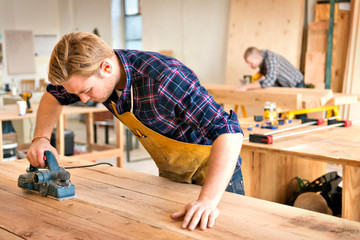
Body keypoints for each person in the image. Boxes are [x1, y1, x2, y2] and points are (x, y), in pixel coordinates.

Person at [26, 32, 244, 231]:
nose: (82, 99)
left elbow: (229, 132)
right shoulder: (97, 78)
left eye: (87, 91)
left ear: (106, 68)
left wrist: (207, 201)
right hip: (173, 175)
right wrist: (41, 139)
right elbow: (53, 96)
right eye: (77, 93)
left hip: (216, 178)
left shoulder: (164, 78)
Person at [237, 47, 306, 91]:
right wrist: (255, 77)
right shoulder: (260, 56)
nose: (249, 65)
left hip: (296, 83)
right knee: (282, 110)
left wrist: (246, 86)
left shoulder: (270, 60)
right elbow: (265, 70)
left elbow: (268, 82)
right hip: (284, 85)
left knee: (300, 112)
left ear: (258, 58)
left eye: (250, 63)